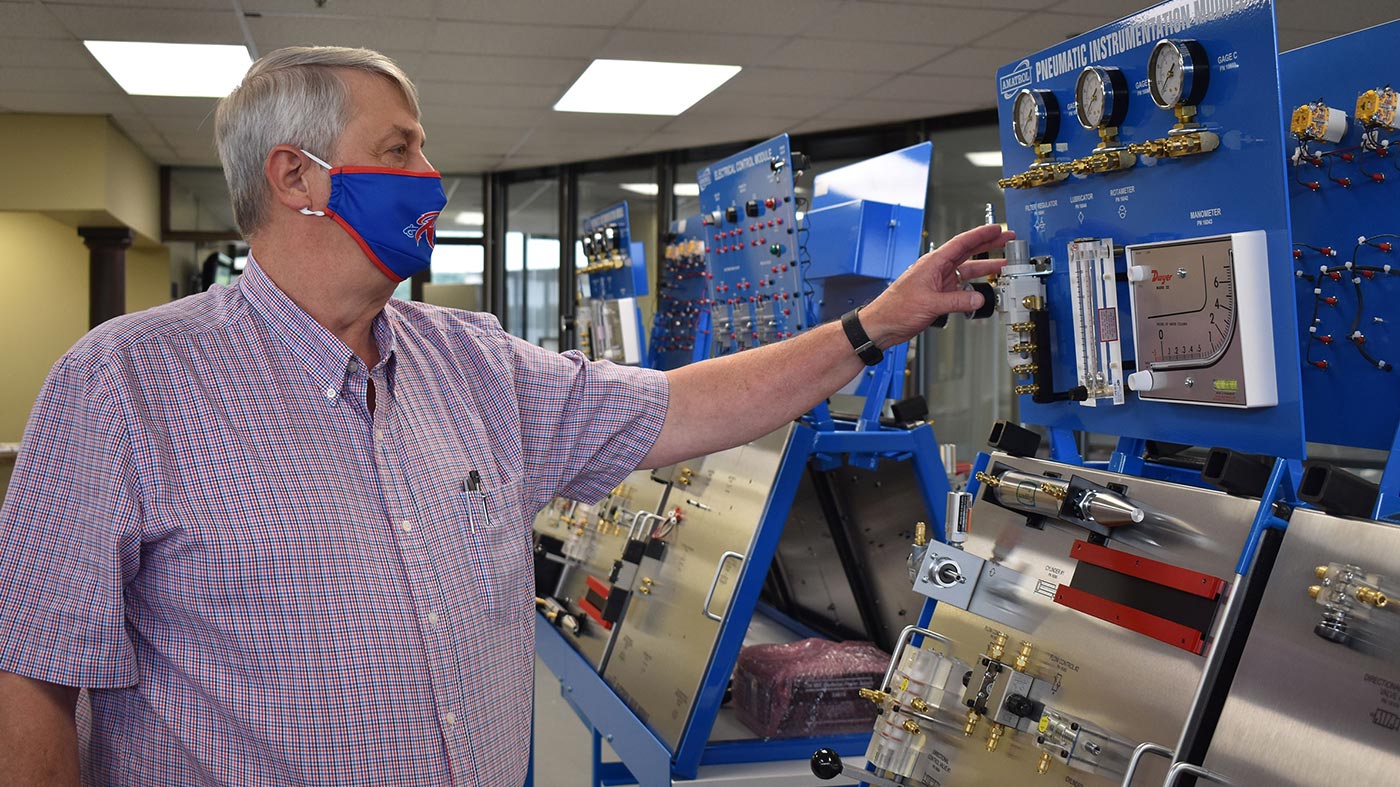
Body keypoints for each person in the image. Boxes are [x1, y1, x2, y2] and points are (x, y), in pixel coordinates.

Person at [0, 47, 1011, 786]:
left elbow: (681, 405)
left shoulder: (472, 363)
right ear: (296, 177)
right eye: (397, 149)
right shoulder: (124, 385)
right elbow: (35, 678)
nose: (428, 178)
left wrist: (874, 324)